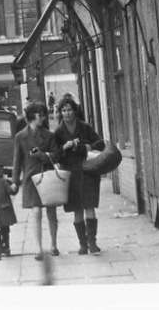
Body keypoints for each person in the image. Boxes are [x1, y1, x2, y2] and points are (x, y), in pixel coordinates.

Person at [51, 95, 105, 254]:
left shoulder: (85, 127)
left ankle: (92, 243)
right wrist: (64, 148)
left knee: (89, 206)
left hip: (87, 171)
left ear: (75, 111)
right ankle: (83, 244)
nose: (67, 113)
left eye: (69, 110)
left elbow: (100, 143)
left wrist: (86, 147)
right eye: (64, 110)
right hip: (71, 173)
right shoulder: (59, 133)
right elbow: (55, 156)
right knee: (77, 209)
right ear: (60, 112)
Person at [12, 101, 59, 260]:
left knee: (51, 211)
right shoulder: (20, 137)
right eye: (41, 114)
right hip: (31, 179)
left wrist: (42, 155)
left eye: (44, 114)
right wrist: (14, 181)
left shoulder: (49, 135)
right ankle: (39, 248)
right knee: (36, 212)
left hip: (47, 176)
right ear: (32, 116)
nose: (43, 117)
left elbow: (56, 156)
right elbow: (17, 161)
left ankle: (53, 244)